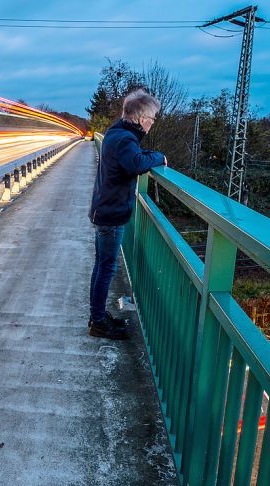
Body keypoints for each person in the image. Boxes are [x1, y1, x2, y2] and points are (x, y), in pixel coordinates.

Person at [88, 89, 167, 340]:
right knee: (106, 268)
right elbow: (137, 163)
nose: (152, 124)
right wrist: (160, 157)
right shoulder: (125, 139)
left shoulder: (117, 133)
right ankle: (98, 322)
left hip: (105, 209)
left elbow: (134, 159)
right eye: (152, 119)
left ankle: (97, 316)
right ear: (142, 118)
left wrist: (148, 155)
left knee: (101, 267)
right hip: (111, 213)